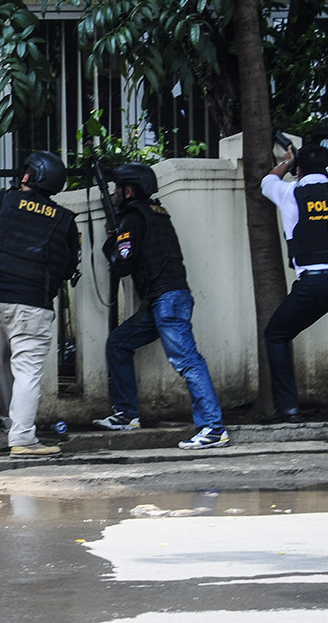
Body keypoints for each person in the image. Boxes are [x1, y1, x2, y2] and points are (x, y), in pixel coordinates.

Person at [92, 163, 228, 450]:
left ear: (129, 191)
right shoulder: (157, 213)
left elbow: (123, 264)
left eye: (118, 189)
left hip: (166, 302)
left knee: (188, 361)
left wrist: (112, 240)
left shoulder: (133, 217)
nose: (115, 194)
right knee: (118, 343)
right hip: (163, 301)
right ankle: (126, 414)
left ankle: (213, 428)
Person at [0, 151, 80, 458]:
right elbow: (67, 268)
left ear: (27, 176)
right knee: (27, 372)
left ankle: (5, 424)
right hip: (32, 305)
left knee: (0, 366)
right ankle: (22, 437)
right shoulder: (64, 220)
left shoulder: (2, 201)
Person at [260, 143, 328, 424]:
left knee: (275, 335)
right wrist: (319, 166)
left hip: (313, 284)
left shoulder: (290, 192)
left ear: (299, 169)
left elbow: (267, 181)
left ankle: (288, 408)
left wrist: (287, 163)